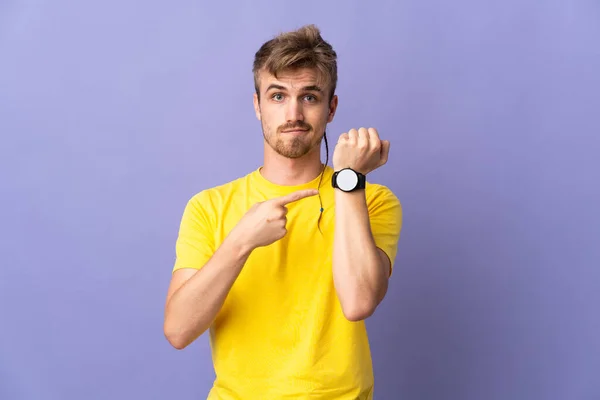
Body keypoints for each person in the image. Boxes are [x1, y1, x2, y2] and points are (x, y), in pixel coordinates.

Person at [163, 24, 402, 400]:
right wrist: (241, 241)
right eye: (277, 96)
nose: (293, 113)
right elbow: (178, 330)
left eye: (309, 97)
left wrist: (350, 179)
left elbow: (359, 302)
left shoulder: (372, 199)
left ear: (331, 108)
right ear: (257, 105)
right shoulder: (208, 207)